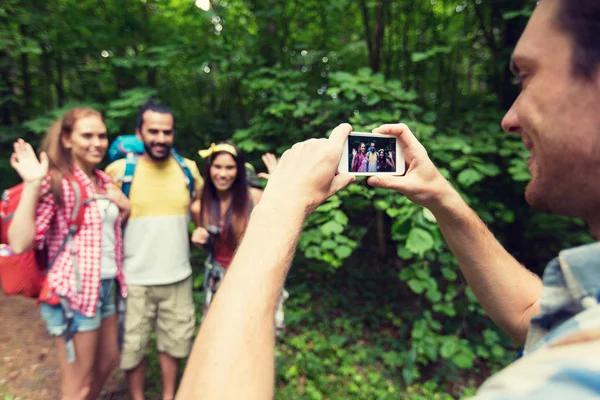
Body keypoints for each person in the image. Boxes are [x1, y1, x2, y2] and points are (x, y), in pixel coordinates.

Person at [176, 0, 600, 398]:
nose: (509, 118)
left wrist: (279, 205)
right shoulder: (585, 316)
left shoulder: (562, 383)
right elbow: (532, 313)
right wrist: (441, 196)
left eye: (526, 75)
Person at [8, 107, 130, 400]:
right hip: (73, 294)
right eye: (87, 135)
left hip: (105, 287)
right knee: (79, 384)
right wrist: (32, 184)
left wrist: (124, 207)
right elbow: (21, 241)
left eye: (101, 135)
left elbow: (102, 229)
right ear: (66, 139)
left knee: (109, 362)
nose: (97, 142)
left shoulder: (102, 180)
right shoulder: (58, 182)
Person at [105, 101, 203, 400]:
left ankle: (169, 396)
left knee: (174, 344)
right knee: (133, 346)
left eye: (167, 132)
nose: (161, 138)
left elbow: (205, 207)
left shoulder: (188, 170)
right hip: (133, 280)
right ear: (139, 133)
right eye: (153, 131)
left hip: (178, 276)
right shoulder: (119, 171)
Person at [190, 142, 288, 334]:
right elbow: (212, 246)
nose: (223, 174)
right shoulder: (200, 207)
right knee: (219, 335)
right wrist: (199, 241)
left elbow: (281, 228)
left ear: (239, 170)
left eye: (230, 167)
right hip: (219, 278)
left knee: (251, 335)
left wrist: (279, 187)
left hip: (253, 277)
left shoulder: (254, 198)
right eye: (218, 167)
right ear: (209, 168)